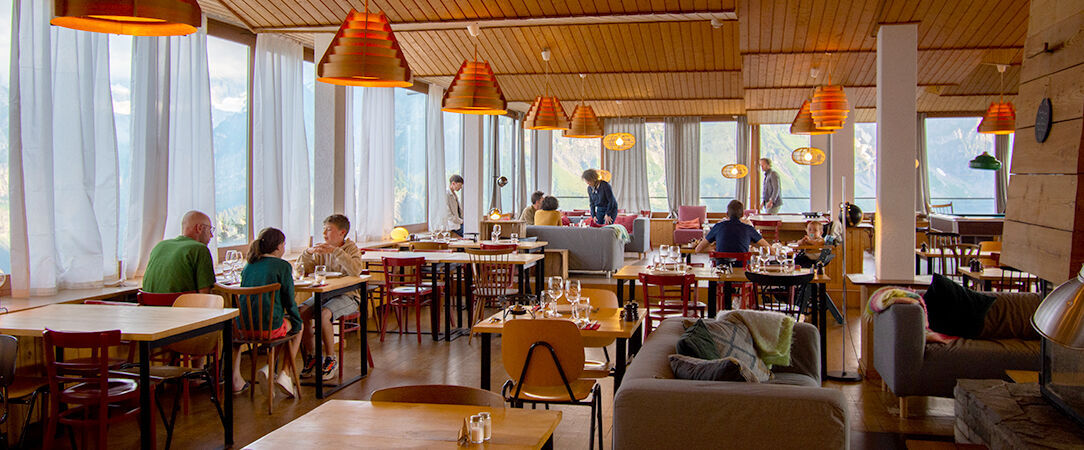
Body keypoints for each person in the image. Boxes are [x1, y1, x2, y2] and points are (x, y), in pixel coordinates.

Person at [232, 227, 302, 397]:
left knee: (280, 325)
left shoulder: (249, 266)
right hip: (268, 329)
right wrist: (297, 320)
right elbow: (289, 300)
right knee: (297, 328)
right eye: (284, 245)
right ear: (279, 246)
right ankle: (284, 373)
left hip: (242, 330)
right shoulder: (283, 266)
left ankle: (269, 369)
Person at [296, 214, 364, 381]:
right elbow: (304, 270)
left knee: (324, 314)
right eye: (324, 230)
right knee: (300, 311)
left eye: (329, 230)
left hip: (348, 296)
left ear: (342, 233)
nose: (325, 234)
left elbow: (355, 270)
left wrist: (336, 252)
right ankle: (312, 356)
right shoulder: (321, 249)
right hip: (325, 294)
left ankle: (330, 358)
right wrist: (308, 253)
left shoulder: (351, 249)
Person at [142, 210, 216, 294]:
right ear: (199, 228)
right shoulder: (200, 249)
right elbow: (205, 296)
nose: (211, 235)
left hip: (149, 306)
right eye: (210, 230)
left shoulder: (160, 246)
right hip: (181, 306)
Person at [695, 200, 769, 266]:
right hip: (742, 272)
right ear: (743, 214)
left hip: (722, 273)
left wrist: (715, 249)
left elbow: (698, 249)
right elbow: (770, 249)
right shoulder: (748, 228)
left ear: (727, 214)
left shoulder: (718, 227)